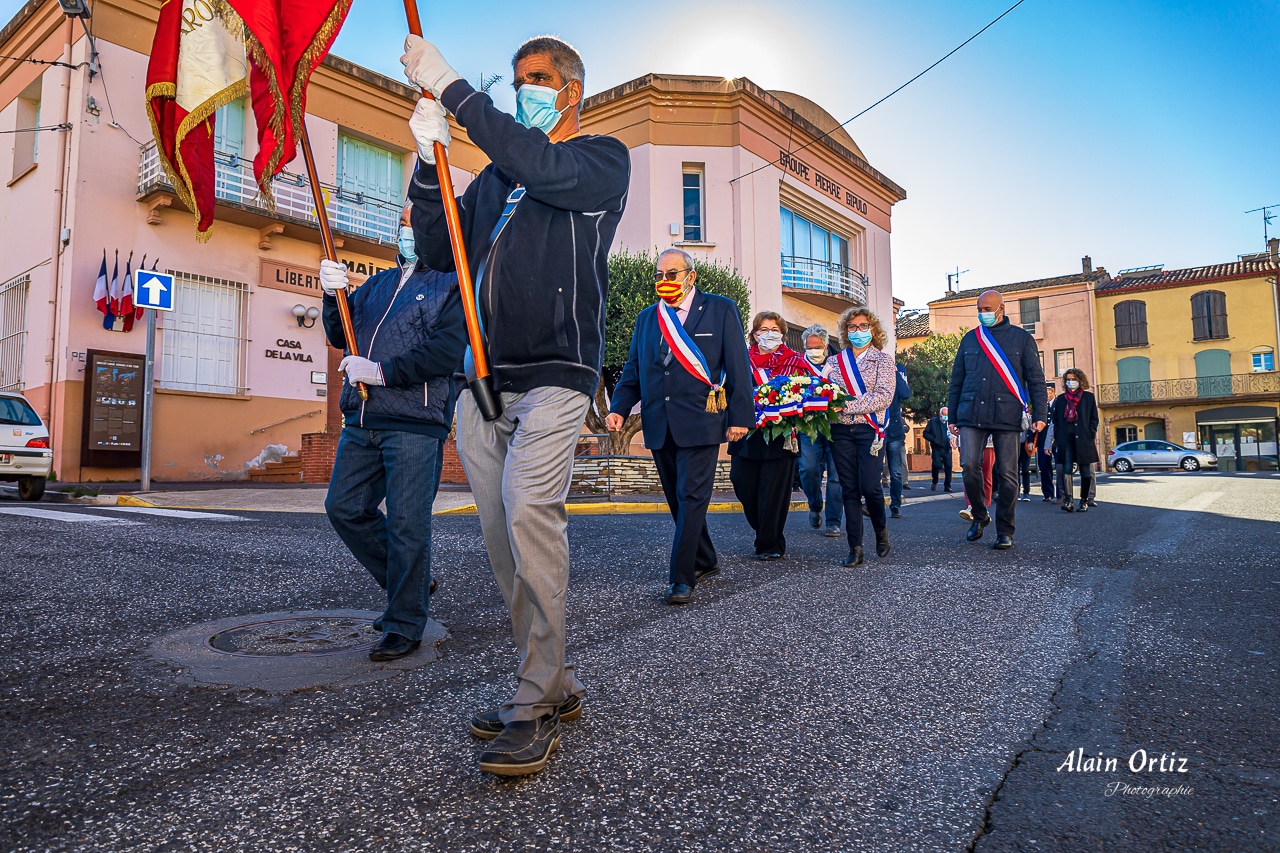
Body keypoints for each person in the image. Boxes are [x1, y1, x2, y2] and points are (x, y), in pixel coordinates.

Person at [403, 33, 630, 776]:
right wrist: (426, 168)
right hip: (485, 380)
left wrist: (461, 95)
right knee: (503, 539)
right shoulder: (499, 175)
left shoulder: (598, 160)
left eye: (535, 79)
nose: (523, 87)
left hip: (559, 375)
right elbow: (443, 254)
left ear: (569, 90)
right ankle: (555, 680)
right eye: (515, 78)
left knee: (531, 510)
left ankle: (533, 703)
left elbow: (543, 165)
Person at [318, 204, 467, 663]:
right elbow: (340, 334)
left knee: (407, 523)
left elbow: (446, 352)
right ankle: (412, 585)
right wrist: (332, 295)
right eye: (402, 224)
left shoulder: (452, 281)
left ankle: (404, 623)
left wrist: (382, 372)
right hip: (362, 419)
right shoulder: (379, 284)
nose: (407, 231)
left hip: (415, 422)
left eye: (416, 223)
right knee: (344, 507)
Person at [607, 249, 753, 605]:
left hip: (702, 420)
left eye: (671, 274)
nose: (664, 281)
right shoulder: (647, 318)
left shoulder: (720, 309)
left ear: (691, 276)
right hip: (660, 422)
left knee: (691, 497)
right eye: (659, 275)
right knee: (677, 499)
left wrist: (739, 418)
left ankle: (682, 577)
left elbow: (737, 366)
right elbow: (634, 369)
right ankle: (705, 559)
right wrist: (619, 408)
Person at [946, 290, 1047, 550]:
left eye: (988, 309)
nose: (983, 314)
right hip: (971, 412)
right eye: (979, 309)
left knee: (1008, 474)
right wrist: (953, 416)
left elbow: (1036, 380)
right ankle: (980, 516)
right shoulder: (970, 340)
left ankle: (1005, 530)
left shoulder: (1022, 339)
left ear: (1001, 308)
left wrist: (1040, 416)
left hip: (1007, 413)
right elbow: (957, 380)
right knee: (969, 466)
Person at [729, 312, 810, 560]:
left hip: (781, 435)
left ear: (783, 334)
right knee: (742, 484)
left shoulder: (796, 361)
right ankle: (766, 532)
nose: (769, 334)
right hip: (746, 433)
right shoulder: (740, 360)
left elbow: (810, 392)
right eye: (763, 330)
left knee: (773, 492)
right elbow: (728, 390)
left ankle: (769, 544)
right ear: (754, 335)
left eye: (774, 329)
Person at [826, 306, 896, 567]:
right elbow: (825, 393)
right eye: (852, 327)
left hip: (870, 430)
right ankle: (855, 547)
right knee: (850, 490)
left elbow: (883, 397)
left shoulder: (884, 360)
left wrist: (847, 405)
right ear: (846, 331)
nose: (857, 331)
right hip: (840, 430)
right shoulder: (834, 362)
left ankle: (881, 529)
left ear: (873, 330)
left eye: (863, 326)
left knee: (870, 486)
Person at [796, 325, 843, 537]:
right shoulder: (798, 365)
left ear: (825, 345)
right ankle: (814, 505)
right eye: (809, 347)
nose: (813, 351)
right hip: (809, 426)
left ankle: (833, 520)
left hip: (837, 426)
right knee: (807, 469)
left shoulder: (839, 365)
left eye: (817, 346)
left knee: (836, 475)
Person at [1050, 367, 1100, 513]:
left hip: (1084, 439)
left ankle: (1084, 501)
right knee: (1066, 469)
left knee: (1085, 471)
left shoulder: (1088, 398)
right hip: (1066, 439)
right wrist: (1059, 437)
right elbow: (1056, 420)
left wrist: (1090, 434)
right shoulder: (1060, 399)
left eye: (1074, 380)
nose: (1071, 382)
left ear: (1080, 380)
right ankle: (1069, 500)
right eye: (1068, 380)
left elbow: (1094, 419)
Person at [884, 363, 913, 518]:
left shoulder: (894, 375)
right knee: (872, 470)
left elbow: (906, 393)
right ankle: (870, 503)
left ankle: (895, 505)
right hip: (876, 427)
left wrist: (896, 374)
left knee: (896, 472)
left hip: (894, 429)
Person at [922, 406, 954, 491]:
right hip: (936, 447)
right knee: (936, 465)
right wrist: (934, 439)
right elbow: (925, 433)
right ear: (940, 414)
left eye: (947, 415)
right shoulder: (933, 422)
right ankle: (935, 481)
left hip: (947, 448)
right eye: (944, 415)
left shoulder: (950, 422)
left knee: (948, 466)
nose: (945, 417)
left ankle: (947, 486)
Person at [1035, 383, 1057, 501]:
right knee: (1044, 467)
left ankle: (1061, 494)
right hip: (1043, 441)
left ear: (1052, 391)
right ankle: (1048, 493)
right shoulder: (1041, 406)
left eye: (1047, 391)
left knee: (1060, 467)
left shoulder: (1058, 403)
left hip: (1056, 440)